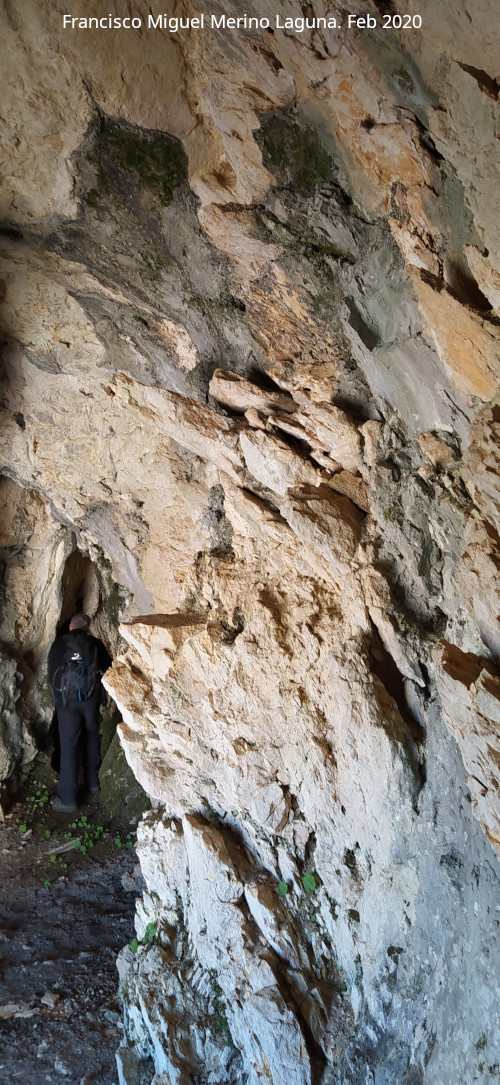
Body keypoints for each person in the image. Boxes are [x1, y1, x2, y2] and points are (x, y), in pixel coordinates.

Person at [47, 613, 112, 813]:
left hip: (67, 703)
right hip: (90, 700)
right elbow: (108, 668)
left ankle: (68, 799)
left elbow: (51, 675)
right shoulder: (94, 643)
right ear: (87, 628)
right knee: (92, 737)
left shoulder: (59, 644)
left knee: (69, 745)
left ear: (70, 627)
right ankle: (94, 784)